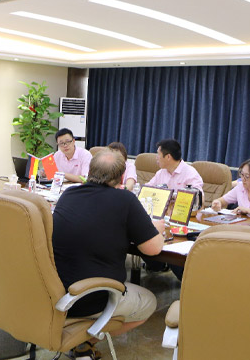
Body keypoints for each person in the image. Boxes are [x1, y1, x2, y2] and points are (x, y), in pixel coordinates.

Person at [52, 149, 165, 358]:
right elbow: (153, 249)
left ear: (89, 171)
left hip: (57, 291)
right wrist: (157, 229)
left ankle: (82, 339)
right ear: (121, 178)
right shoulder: (125, 200)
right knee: (149, 301)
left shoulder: (69, 194)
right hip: (92, 297)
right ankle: (84, 340)